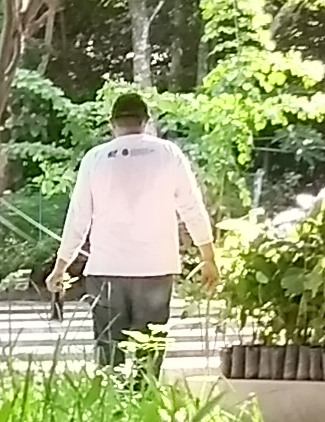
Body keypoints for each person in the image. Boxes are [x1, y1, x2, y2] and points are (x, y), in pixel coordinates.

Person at [49, 91, 216, 371]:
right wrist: (208, 256)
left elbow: (78, 218)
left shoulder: (95, 158)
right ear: (146, 122)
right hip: (156, 270)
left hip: (105, 271)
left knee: (108, 358)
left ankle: (110, 410)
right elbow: (192, 208)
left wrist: (60, 267)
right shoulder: (168, 153)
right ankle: (144, 408)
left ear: (112, 124)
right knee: (148, 357)